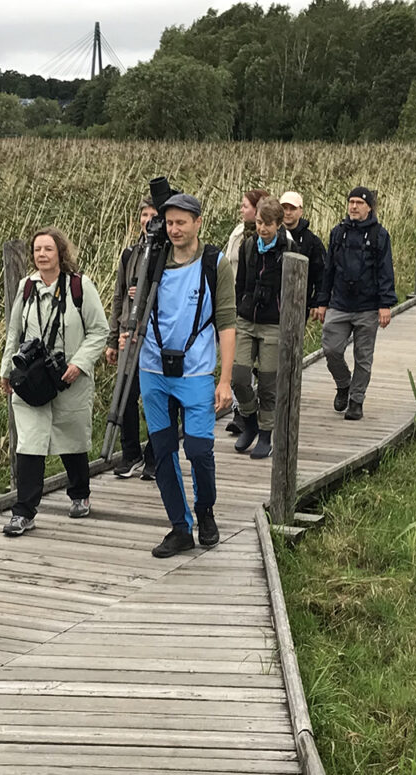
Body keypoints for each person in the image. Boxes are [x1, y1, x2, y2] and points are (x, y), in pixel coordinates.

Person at [127, 192, 236, 558]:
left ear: (197, 223)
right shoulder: (152, 260)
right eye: (168, 223)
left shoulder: (214, 262)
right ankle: (179, 526)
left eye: (181, 222)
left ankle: (205, 510)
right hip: (153, 368)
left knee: (199, 448)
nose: (173, 229)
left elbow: (227, 322)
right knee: (163, 449)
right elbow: (135, 307)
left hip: (196, 371)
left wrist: (225, 379)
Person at [0, 228, 109, 535]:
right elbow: (14, 332)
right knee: (29, 443)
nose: (42, 255)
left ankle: (79, 494)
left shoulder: (80, 286)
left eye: (48, 249)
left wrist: (80, 363)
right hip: (32, 378)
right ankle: (24, 512)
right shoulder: (26, 287)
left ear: (61, 252)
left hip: (67, 377)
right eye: (37, 250)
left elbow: (99, 331)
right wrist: (7, 370)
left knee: (71, 439)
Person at [320, 186, 396, 421]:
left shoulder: (379, 235)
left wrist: (385, 304)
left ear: (369, 207)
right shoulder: (338, 233)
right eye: (351, 202)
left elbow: (385, 270)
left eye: (359, 203)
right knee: (331, 349)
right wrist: (322, 302)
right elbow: (328, 269)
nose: (353, 206)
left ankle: (356, 400)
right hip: (339, 303)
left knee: (363, 357)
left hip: (367, 306)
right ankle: (343, 384)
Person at [231, 195, 298, 459]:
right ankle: (249, 422)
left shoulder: (289, 251)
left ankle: (266, 434)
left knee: (269, 382)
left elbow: (295, 292)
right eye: (259, 222)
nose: (263, 228)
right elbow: (240, 285)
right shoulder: (248, 247)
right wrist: (239, 311)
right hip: (247, 321)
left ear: (279, 224)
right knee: (238, 377)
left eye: (268, 224)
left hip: (273, 324)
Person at [106, 199, 162, 480]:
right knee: (125, 397)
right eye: (144, 215)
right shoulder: (129, 254)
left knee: (155, 397)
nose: (148, 220)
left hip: (155, 337)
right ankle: (130, 454)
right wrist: (112, 338)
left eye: (153, 215)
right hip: (128, 334)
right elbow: (118, 298)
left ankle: (154, 455)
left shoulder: (165, 253)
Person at [223, 189, 264, 435]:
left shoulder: (280, 236)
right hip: (239, 305)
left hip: (268, 311)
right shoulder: (237, 233)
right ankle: (241, 413)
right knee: (240, 363)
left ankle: (266, 412)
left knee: (265, 366)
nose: (241, 210)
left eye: (245, 206)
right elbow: (227, 266)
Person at [277, 191, 329, 323]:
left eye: (292, 208)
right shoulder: (271, 236)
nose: (288, 212)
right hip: (272, 303)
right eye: (284, 208)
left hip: (299, 304)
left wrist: (317, 302)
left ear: (301, 211)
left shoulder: (312, 241)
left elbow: (321, 273)